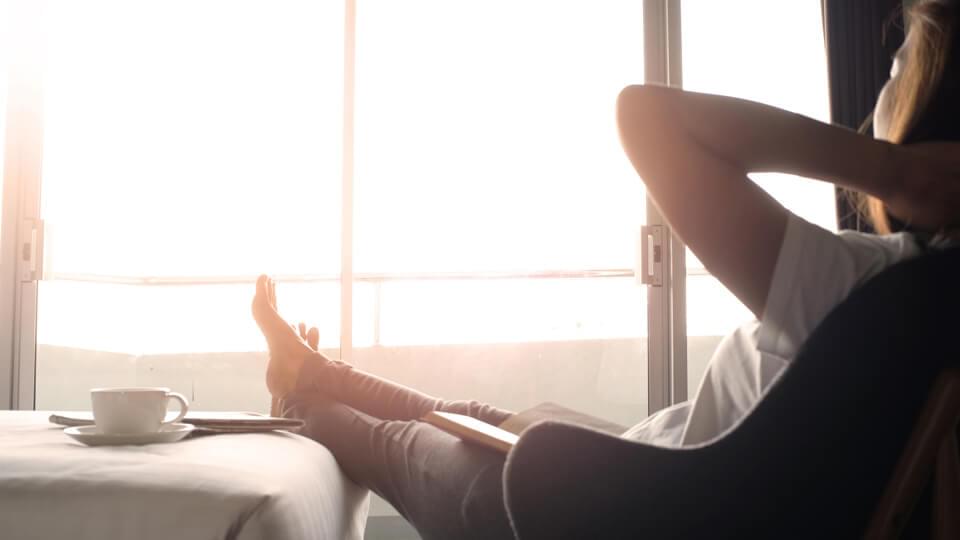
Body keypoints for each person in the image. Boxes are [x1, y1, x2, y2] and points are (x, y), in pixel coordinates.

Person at [252, 1, 960, 538]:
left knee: (401, 446)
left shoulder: (871, 289)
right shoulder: (896, 293)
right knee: (466, 417)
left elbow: (646, 118)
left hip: (618, 505)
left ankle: (298, 398)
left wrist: (891, 171)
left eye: (895, 76)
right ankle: (316, 373)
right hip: (646, 467)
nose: (873, 114)